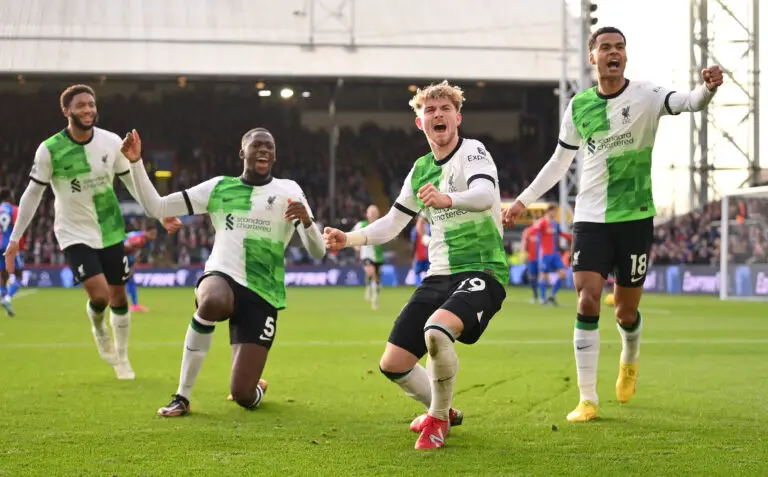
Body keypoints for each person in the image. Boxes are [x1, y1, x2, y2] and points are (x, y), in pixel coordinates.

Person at [502, 26, 723, 422]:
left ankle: (630, 357)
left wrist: (707, 89)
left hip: (636, 217)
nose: (613, 52)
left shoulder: (647, 95)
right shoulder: (579, 107)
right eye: (605, 47)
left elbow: (689, 102)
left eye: (619, 47)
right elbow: (559, 162)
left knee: (624, 311)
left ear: (625, 55)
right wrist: (523, 201)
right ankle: (587, 398)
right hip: (590, 218)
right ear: (593, 58)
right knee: (587, 298)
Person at [323, 81, 508, 450]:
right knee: (394, 364)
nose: (438, 114)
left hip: (483, 270)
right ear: (419, 122)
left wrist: (446, 198)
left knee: (437, 331)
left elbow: (486, 194)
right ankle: (444, 407)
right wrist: (350, 238)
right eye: (430, 110)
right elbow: (393, 222)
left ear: (458, 116)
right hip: (438, 274)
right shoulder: (420, 169)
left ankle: (437, 420)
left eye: (445, 109)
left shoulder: (473, 151)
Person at [119, 127, 326, 417]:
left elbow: (318, 251)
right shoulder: (219, 187)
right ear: (243, 153)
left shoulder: (289, 190)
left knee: (243, 395)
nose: (264, 150)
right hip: (222, 276)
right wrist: (135, 163)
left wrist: (306, 222)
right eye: (257, 146)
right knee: (212, 300)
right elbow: (158, 206)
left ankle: (255, 386)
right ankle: (182, 396)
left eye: (270, 146)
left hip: (263, 292)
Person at [2, 84, 181, 379]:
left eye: (92, 104)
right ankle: (99, 327)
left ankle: (122, 359)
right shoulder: (50, 150)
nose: (88, 110)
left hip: (111, 229)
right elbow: (32, 195)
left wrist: (159, 213)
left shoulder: (111, 142)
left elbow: (132, 183)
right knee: (100, 297)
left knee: (119, 299)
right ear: (67, 111)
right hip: (73, 233)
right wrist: (14, 240)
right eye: (81, 105)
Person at [529, 204, 572, 306]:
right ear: (548, 212)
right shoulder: (542, 222)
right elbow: (534, 229)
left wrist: (571, 237)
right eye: (553, 211)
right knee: (543, 276)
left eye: (555, 211)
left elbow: (561, 233)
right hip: (545, 254)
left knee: (563, 275)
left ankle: (552, 296)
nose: (554, 213)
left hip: (555, 254)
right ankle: (543, 299)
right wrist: (536, 225)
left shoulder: (555, 224)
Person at [352, 205, 384, 309]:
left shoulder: (382, 226)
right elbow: (351, 236)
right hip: (366, 254)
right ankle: (370, 289)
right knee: (371, 271)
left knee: (377, 278)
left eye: (375, 213)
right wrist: (356, 245)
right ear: (367, 214)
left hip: (378, 256)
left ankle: (375, 297)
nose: (373, 215)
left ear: (378, 215)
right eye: (371, 213)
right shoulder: (361, 225)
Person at [123, 225, 158, 312]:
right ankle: (125, 304)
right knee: (126, 281)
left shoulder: (147, 241)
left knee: (130, 281)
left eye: (155, 234)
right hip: (120, 254)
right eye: (152, 233)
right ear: (146, 232)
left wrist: (133, 264)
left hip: (128, 257)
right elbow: (125, 247)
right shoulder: (138, 238)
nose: (154, 236)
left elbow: (137, 254)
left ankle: (134, 305)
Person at [0, 189, 24, 317]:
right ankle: (7, 298)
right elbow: (18, 227)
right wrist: (22, 246)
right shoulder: (14, 209)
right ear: (9, 197)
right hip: (10, 245)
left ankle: (5, 300)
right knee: (19, 276)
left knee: (3, 276)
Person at [521, 224, 539, 304]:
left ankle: (544, 296)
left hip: (542, 258)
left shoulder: (542, 230)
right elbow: (524, 243)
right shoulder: (528, 230)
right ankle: (535, 296)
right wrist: (523, 253)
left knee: (542, 276)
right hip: (532, 258)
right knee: (532, 276)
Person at [410, 214, 431, 286]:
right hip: (418, 255)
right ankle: (419, 286)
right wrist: (414, 255)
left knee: (429, 272)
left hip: (428, 255)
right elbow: (413, 243)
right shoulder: (414, 230)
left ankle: (427, 286)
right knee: (417, 272)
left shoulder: (429, 228)